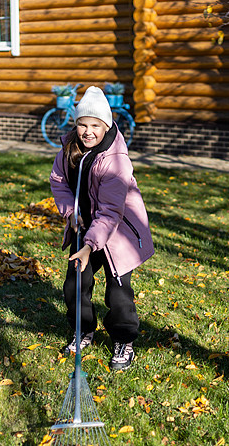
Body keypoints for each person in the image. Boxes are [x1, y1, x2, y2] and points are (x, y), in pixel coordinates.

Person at [50, 85, 154, 371]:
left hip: (117, 234)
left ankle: (124, 339)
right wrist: (70, 213)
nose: (88, 131)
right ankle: (84, 331)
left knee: (118, 292)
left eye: (95, 125)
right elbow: (58, 181)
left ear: (106, 125)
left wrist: (87, 247)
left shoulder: (115, 160)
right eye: (82, 124)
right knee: (75, 285)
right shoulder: (71, 148)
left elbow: (110, 212)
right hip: (85, 229)